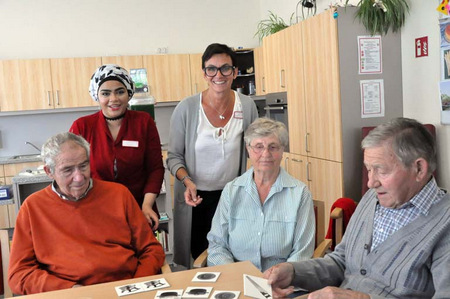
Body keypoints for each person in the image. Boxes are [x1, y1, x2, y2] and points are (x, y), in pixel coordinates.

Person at [263, 117, 450, 299]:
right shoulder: (372, 198)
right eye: (369, 169)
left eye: (381, 170)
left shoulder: (445, 223)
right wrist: (294, 272)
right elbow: (341, 261)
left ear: (419, 169)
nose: (370, 183)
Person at [8, 132, 165, 295]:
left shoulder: (119, 194)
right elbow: (19, 274)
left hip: (124, 289)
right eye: (68, 170)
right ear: (49, 171)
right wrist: (70, 290)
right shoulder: (32, 207)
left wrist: (135, 286)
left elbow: (151, 250)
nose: (79, 177)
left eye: (83, 166)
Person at [167, 43, 258, 268]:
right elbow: (173, 157)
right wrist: (187, 181)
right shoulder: (186, 108)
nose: (219, 75)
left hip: (232, 197)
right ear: (204, 74)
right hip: (195, 198)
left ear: (235, 72)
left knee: (232, 254)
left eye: (225, 68)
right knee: (199, 256)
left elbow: (256, 149)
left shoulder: (247, 106)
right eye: (211, 69)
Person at [207, 118, 315, 271]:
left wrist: (279, 278)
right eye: (259, 146)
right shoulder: (231, 190)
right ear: (248, 149)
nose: (266, 153)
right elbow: (217, 245)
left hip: (282, 283)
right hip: (238, 279)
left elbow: (302, 252)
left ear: (282, 150)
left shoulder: (300, 194)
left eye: (273, 147)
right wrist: (236, 275)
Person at [70, 64, 164, 229]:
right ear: (97, 96)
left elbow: (155, 169)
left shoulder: (143, 122)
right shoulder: (82, 127)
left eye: (120, 91)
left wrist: (147, 205)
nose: (113, 99)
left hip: (139, 208)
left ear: (128, 94)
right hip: (95, 211)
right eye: (106, 93)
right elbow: (73, 172)